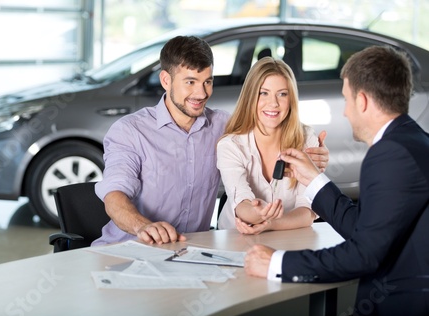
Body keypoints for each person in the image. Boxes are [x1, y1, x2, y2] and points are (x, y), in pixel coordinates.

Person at [244, 45, 429, 316]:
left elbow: (363, 254)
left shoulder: (390, 154)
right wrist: (314, 178)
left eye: (346, 100)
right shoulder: (412, 140)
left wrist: (277, 262)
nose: (344, 112)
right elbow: (363, 227)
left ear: (363, 101)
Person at [92, 36, 329, 246]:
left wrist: (317, 159)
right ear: (166, 80)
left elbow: (269, 129)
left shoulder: (225, 127)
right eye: (190, 82)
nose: (202, 93)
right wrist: (142, 226)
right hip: (128, 248)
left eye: (208, 81)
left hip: (191, 252)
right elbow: (114, 195)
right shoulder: (130, 131)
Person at [216, 57, 324, 232]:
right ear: (251, 97)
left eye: (282, 94)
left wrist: (270, 224)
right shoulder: (230, 145)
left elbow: (307, 211)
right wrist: (257, 213)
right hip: (237, 236)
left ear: (291, 100)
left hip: (288, 236)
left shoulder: (306, 139)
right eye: (264, 93)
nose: (273, 103)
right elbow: (241, 203)